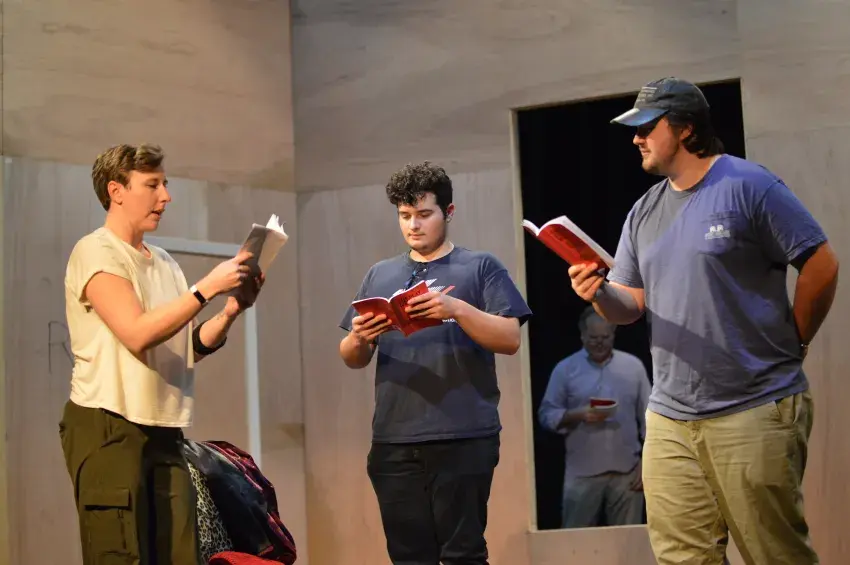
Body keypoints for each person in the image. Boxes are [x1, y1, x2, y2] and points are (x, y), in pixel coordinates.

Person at [567, 77, 839, 565]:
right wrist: (599, 293)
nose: (636, 138)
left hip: (753, 406)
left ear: (685, 128)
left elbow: (821, 265)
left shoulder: (749, 186)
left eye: (647, 127)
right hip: (670, 417)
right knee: (683, 558)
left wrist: (795, 341)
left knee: (774, 554)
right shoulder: (643, 211)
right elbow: (631, 306)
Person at [59, 143, 264, 565]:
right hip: (110, 426)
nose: (166, 196)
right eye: (152, 185)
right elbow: (137, 334)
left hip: (165, 432)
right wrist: (206, 287)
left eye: (165, 184)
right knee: (121, 554)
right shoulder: (96, 251)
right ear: (116, 191)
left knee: (180, 553)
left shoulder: (166, 262)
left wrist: (231, 309)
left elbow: (187, 346)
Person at [338, 161, 532, 565]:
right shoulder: (380, 273)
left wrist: (455, 308)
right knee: (408, 557)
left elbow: (510, 338)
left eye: (424, 214)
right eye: (405, 215)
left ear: (449, 212)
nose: (413, 225)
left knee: (463, 555)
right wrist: (359, 337)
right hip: (394, 439)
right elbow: (353, 357)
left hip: (463, 435)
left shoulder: (480, 266)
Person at [538, 306, 649, 528]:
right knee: (576, 543)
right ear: (582, 335)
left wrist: (646, 463)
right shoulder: (565, 369)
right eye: (593, 338)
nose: (599, 343)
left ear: (614, 334)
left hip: (627, 473)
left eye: (605, 337)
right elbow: (546, 415)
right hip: (582, 475)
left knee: (627, 542)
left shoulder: (633, 367)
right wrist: (576, 414)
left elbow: (651, 419)